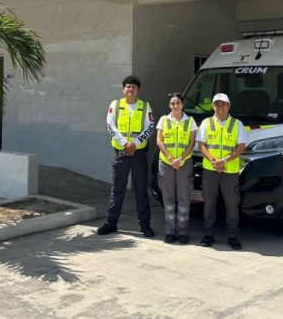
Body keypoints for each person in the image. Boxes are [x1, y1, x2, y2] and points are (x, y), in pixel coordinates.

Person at [98, 75, 155, 237]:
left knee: (141, 191)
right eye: (128, 86)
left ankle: (145, 225)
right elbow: (110, 126)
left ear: (138, 90)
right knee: (117, 190)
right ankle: (111, 223)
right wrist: (125, 143)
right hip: (121, 154)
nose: (131, 89)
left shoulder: (145, 106)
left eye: (134, 87)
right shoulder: (115, 105)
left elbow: (149, 127)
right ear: (123, 89)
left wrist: (134, 143)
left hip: (138, 154)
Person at [196, 93, 247, 249]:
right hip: (210, 170)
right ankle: (208, 235)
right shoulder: (206, 122)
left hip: (229, 171)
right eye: (217, 104)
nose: (220, 107)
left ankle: (233, 236)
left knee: (232, 204)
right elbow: (201, 145)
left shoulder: (237, 124)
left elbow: (241, 147)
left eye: (223, 104)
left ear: (229, 106)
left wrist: (223, 161)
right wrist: (213, 160)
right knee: (209, 203)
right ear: (213, 107)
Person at [156, 92, 197, 244]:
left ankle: (182, 231)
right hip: (166, 162)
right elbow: (159, 141)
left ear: (182, 104)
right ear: (169, 105)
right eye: (173, 103)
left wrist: (180, 159)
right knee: (168, 198)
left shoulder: (190, 121)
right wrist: (171, 158)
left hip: (184, 163)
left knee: (184, 198)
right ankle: (170, 231)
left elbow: (192, 144)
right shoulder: (163, 120)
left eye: (178, 103)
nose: (175, 106)